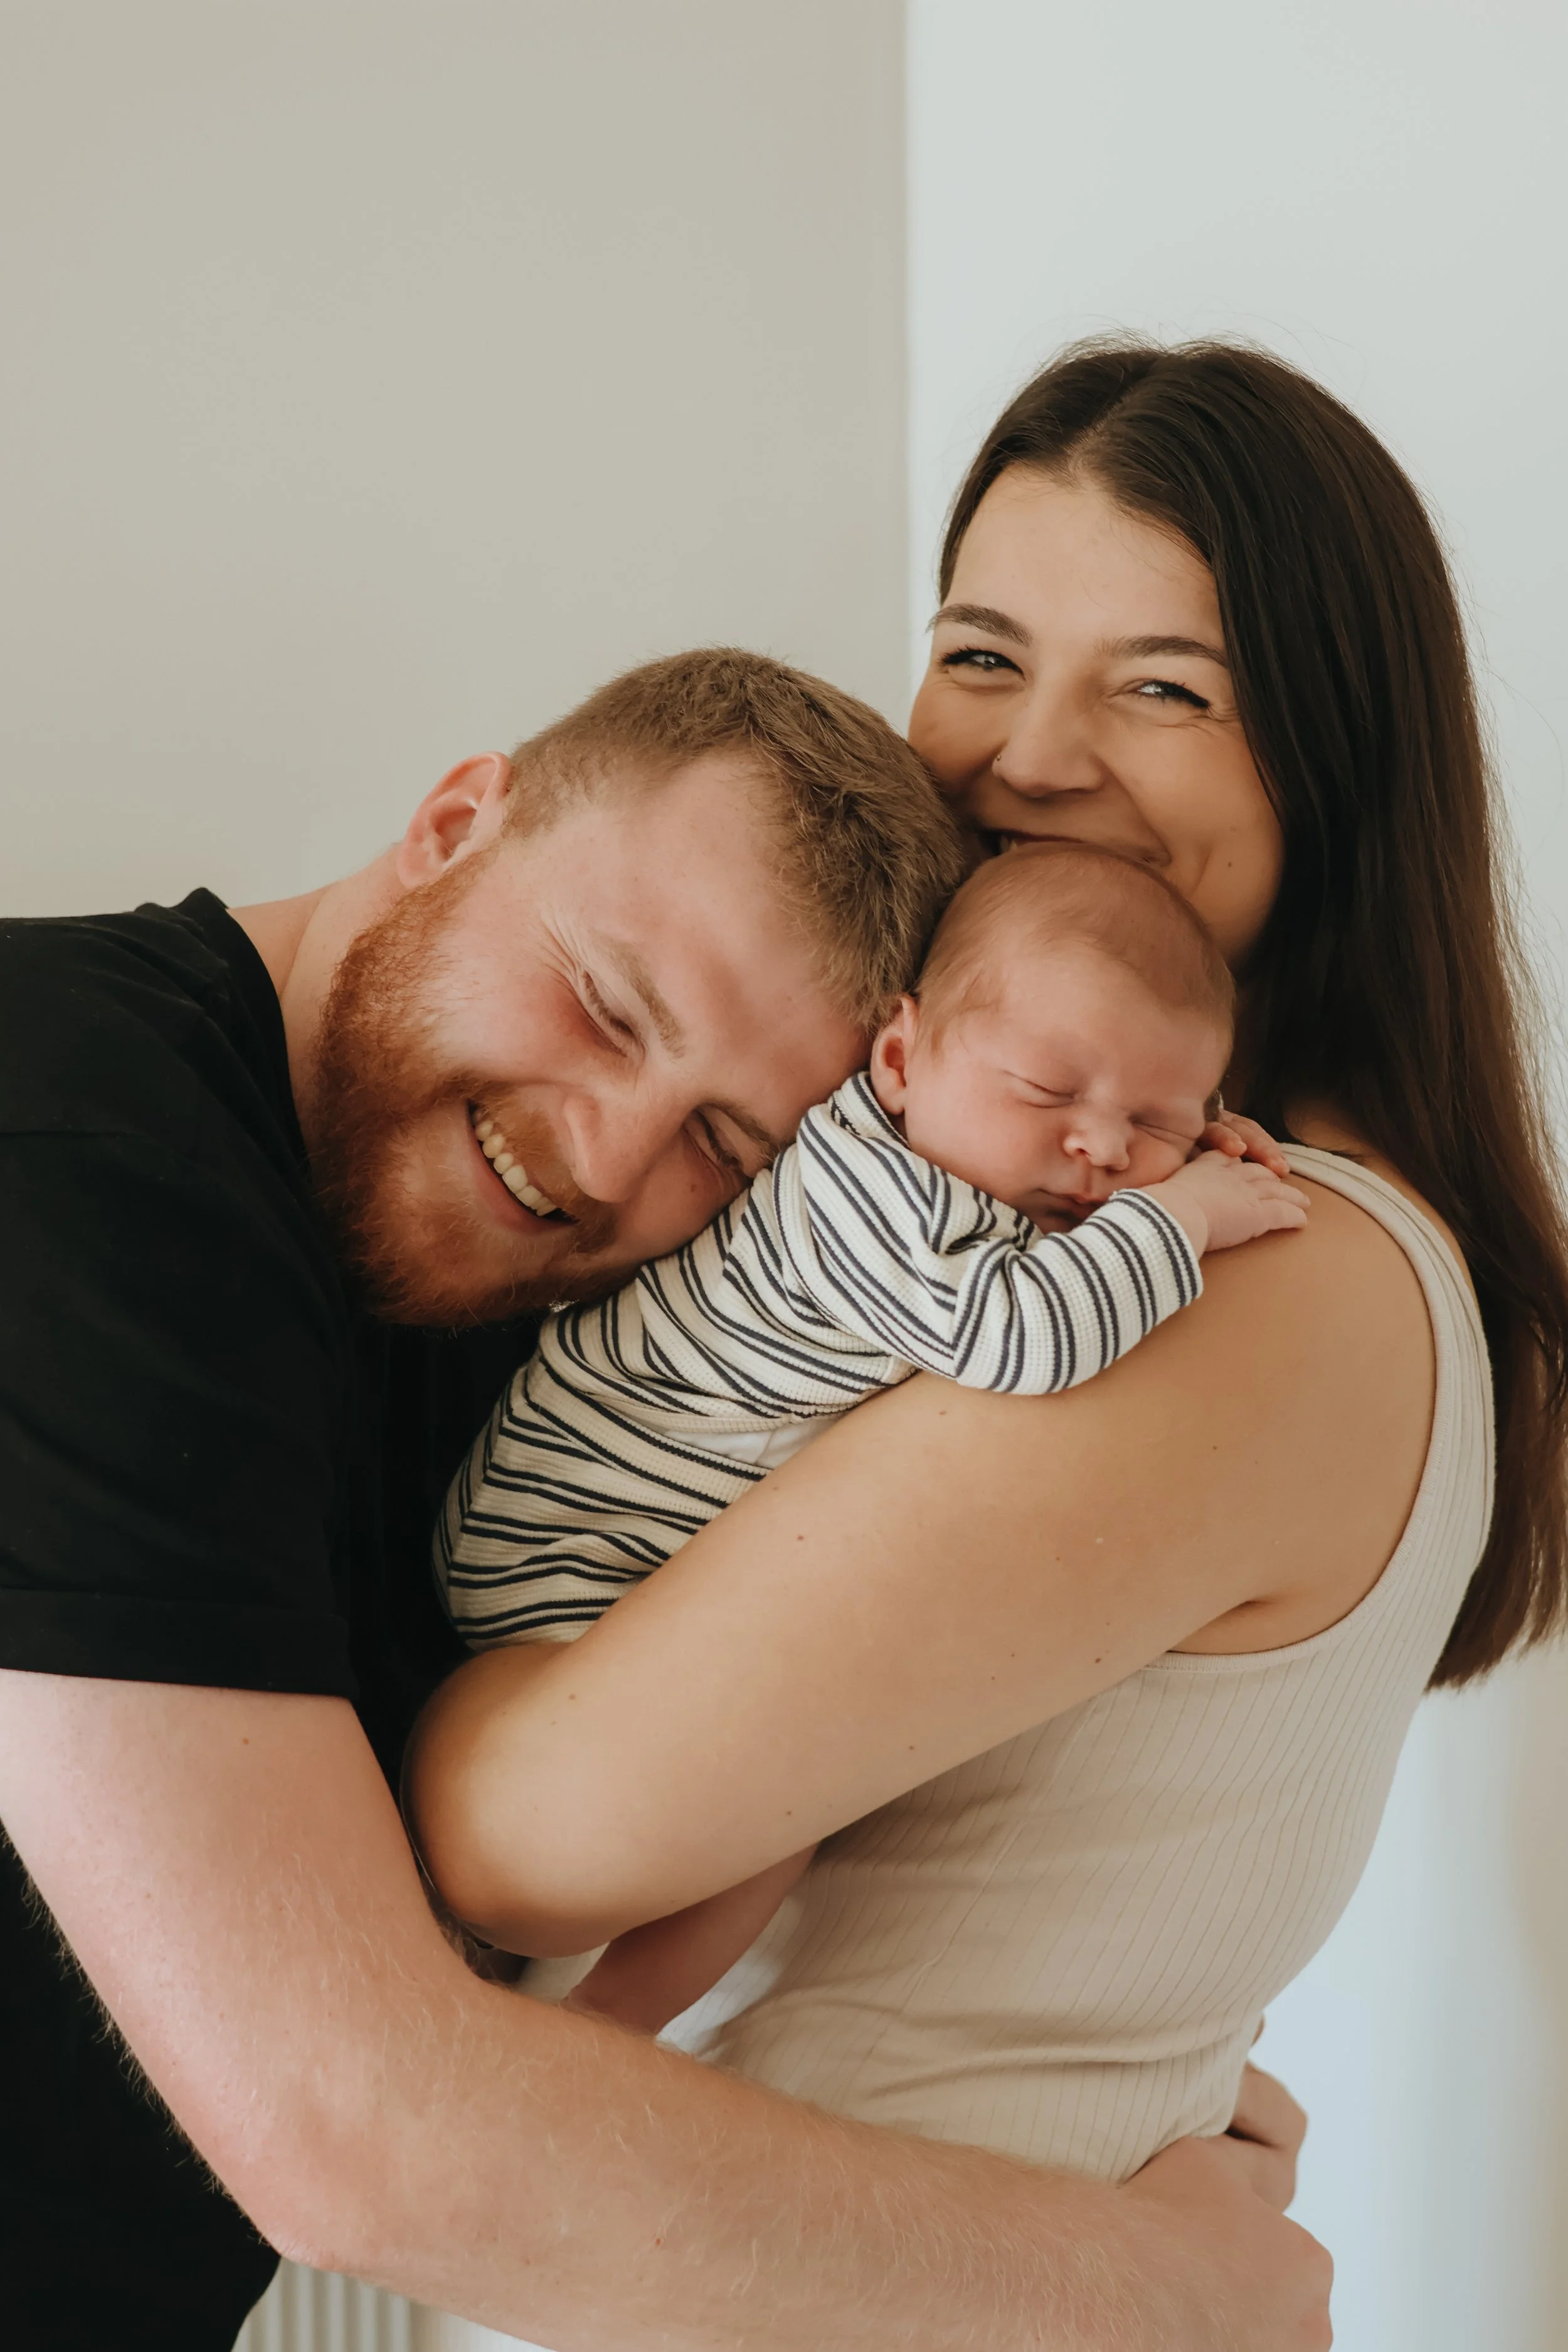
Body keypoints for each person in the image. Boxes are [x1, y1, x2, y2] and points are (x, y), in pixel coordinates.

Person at [0, 644, 1327, 2352]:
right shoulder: (71, 1138)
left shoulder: (513, 1294)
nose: (607, 1161)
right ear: (454, 822)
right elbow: (355, 2128)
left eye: (726, 1141)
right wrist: (1151, 2286)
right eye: (607, 1008)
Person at [398, 342, 1568, 2206]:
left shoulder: (1252, 1263)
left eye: (1164, 686)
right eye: (980, 653)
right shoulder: (1043, 1189)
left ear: (1333, 756)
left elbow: (518, 1836)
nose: (1027, 756)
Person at [415, 840, 1309, 2032]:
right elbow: (1018, 1337)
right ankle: (604, 2027)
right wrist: (1180, 1217)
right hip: (568, 1547)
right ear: (898, 1058)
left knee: (782, 1799)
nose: (1100, 1148)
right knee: (779, 1800)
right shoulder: (870, 1193)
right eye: (1047, 1091)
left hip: (622, 1551)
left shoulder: (982, 1160)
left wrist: (1201, 1149)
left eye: (1155, 1119)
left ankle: (589, 2018)